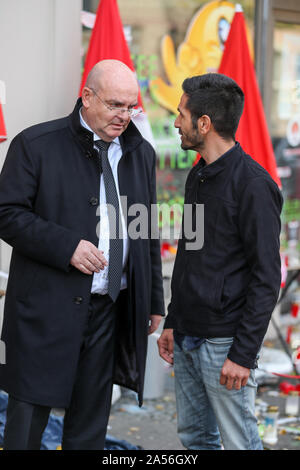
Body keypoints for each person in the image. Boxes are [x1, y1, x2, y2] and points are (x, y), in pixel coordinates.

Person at [0, 59, 164, 450]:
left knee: (89, 428)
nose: (124, 116)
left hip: (111, 308)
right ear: (86, 97)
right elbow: (6, 214)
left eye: (131, 106)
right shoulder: (36, 143)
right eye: (114, 105)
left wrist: (154, 299)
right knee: (26, 424)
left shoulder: (141, 153)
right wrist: (66, 246)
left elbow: (146, 231)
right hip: (45, 308)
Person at [158, 73, 283, 450]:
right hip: (188, 337)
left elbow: (266, 278)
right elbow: (190, 257)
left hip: (224, 344)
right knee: (196, 439)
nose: (176, 122)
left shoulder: (254, 186)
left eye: (181, 114)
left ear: (204, 123)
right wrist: (173, 321)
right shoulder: (198, 174)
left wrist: (242, 355)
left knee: (239, 442)